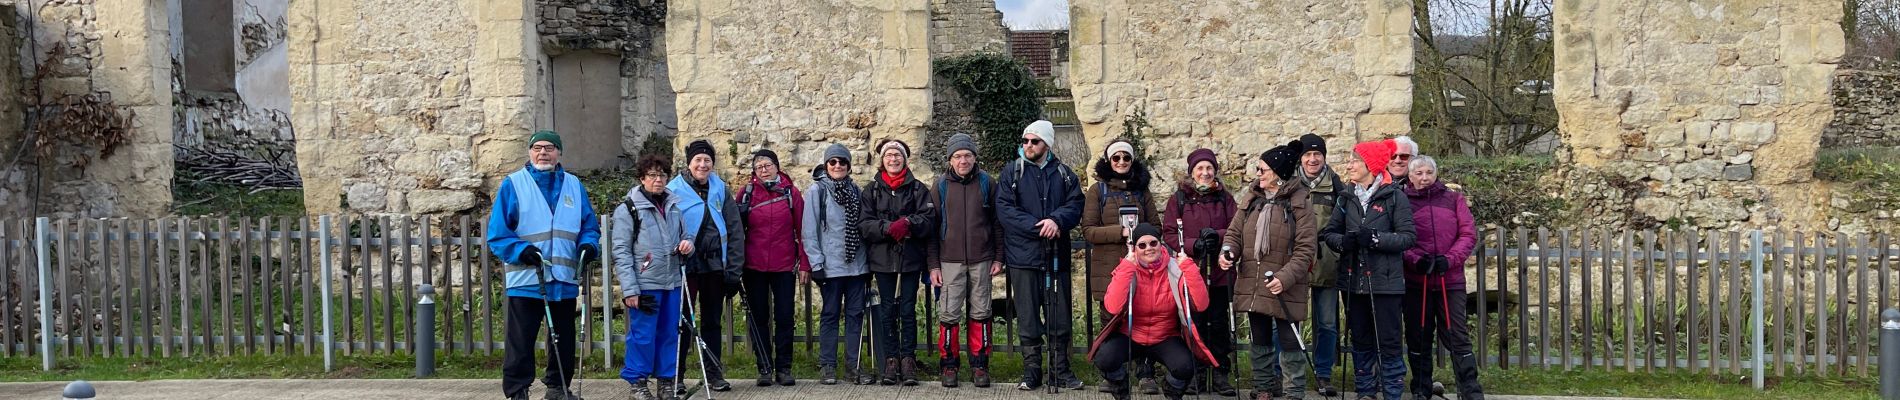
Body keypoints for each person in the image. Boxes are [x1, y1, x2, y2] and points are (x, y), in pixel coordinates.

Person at [486, 130, 602, 400]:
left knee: (563, 340)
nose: (543, 153)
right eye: (537, 148)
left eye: (549, 148)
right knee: (521, 342)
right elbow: (498, 233)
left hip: (563, 279)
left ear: (559, 152)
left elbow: (589, 226)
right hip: (527, 279)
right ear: (529, 152)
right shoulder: (513, 184)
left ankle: (558, 388)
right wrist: (521, 250)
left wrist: (588, 245)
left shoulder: (574, 185)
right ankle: (517, 391)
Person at [1320, 139, 1417, 400]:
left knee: (1388, 340)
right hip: (1353, 280)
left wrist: (1375, 239)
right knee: (1360, 338)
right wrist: (1345, 242)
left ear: (1370, 166)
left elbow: (1407, 237)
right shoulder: (1346, 196)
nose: (1349, 165)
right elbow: (1330, 233)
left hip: (1386, 282)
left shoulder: (1394, 196)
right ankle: (1365, 391)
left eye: (1355, 161)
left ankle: (1392, 391)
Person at [1222, 142, 1319, 400]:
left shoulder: (1300, 204)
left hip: (1285, 284)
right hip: (1255, 281)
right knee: (1260, 337)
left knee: (1289, 340)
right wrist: (1228, 252)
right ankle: (1263, 387)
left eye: (1262, 169)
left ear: (1277, 173)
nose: (1258, 173)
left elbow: (1306, 249)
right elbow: (1234, 233)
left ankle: (1293, 392)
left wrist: (1284, 278)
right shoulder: (1252, 199)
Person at [997, 120, 1087, 391]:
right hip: (1023, 257)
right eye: (1025, 141)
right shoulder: (1012, 172)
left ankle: (1060, 370)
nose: (1028, 146)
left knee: (1058, 317)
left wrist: (1056, 221)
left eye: (1034, 142)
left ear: (1046, 144)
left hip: (1054, 256)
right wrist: (1039, 226)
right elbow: (1005, 210)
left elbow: (1075, 204)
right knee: (1027, 316)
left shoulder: (1064, 174)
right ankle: (1032, 371)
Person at [1088, 223, 1217, 400]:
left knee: (1186, 367)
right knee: (1104, 359)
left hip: (1164, 336)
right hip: (1131, 334)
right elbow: (1113, 307)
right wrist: (1126, 267)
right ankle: (1120, 387)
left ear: (1160, 244)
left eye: (1153, 243)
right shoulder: (1127, 268)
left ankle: (1171, 390)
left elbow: (1201, 304)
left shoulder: (1175, 269)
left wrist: (1189, 268)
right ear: (1135, 249)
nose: (1149, 248)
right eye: (1142, 245)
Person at [1400, 155, 1485, 400]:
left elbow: (1468, 234)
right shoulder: (1403, 201)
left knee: (1457, 336)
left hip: (1450, 281)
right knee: (1419, 335)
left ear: (1436, 174)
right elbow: (1399, 236)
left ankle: (1469, 390)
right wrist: (1417, 260)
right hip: (1418, 281)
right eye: (1419, 173)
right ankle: (1421, 388)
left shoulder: (1453, 199)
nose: (1424, 178)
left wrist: (1450, 259)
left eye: (1429, 172)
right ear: (1410, 176)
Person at [1079, 140, 1160, 393]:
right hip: (1110, 269)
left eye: (1126, 158)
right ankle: (1113, 373)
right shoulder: (1098, 191)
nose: (1122, 162)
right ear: (1109, 161)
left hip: (1142, 269)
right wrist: (1121, 231)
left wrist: (1142, 235)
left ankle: (1145, 372)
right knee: (1111, 320)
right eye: (1117, 158)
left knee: (1144, 319)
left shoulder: (1141, 190)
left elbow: (1156, 226)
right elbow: (1089, 230)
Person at [667, 139, 745, 392]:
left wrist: (733, 271)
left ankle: (713, 373)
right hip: (685, 265)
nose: (703, 165)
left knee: (712, 321)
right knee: (680, 323)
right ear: (689, 163)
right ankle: (675, 377)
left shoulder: (720, 189)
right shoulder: (673, 189)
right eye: (698, 160)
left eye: (707, 160)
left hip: (714, 265)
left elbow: (734, 229)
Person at [928, 133, 1003, 388]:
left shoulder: (987, 183)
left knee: (981, 311)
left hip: (982, 259)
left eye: (968, 155)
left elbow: (997, 224)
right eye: (958, 156)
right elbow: (932, 228)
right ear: (950, 159)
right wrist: (933, 265)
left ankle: (980, 364)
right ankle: (949, 365)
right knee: (949, 312)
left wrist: (998, 257)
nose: (963, 160)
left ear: (975, 157)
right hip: (949, 261)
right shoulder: (940, 186)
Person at [861, 138, 938, 386]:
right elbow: (864, 224)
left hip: (909, 260)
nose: (893, 159)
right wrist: (886, 228)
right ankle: (890, 360)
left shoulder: (918, 189)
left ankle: (908, 359)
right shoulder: (871, 190)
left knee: (907, 310)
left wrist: (908, 224)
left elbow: (928, 220)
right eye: (888, 156)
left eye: (897, 155)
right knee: (886, 311)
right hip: (883, 261)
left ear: (905, 159)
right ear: (882, 161)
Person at [1162, 148, 1239, 397]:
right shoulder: (1179, 199)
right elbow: (1170, 233)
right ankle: (1195, 371)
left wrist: (1215, 238)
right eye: (1200, 169)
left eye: (1209, 168)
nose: (1205, 173)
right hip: (1191, 271)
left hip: (1219, 271)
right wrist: (1194, 244)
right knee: (1192, 323)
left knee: (1218, 323)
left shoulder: (1224, 198)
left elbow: (1236, 229)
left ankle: (1219, 372)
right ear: (1192, 172)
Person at [613, 155, 687, 400]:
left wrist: (688, 245)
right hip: (645, 283)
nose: (658, 180)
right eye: (653, 175)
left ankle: (666, 381)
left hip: (672, 281)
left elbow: (686, 236)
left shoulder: (674, 205)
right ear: (642, 178)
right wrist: (630, 289)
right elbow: (621, 251)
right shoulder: (629, 209)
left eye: (663, 175)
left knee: (669, 332)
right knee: (643, 335)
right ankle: (638, 381)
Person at [736, 149, 807, 387]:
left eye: (767, 165)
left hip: (784, 264)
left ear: (777, 166)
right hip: (754, 265)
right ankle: (764, 366)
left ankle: (784, 367)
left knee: (785, 316)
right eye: (758, 167)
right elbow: (737, 231)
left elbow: (802, 230)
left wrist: (804, 263)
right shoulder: (746, 194)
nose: (763, 170)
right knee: (759, 317)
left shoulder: (791, 193)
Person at [803, 143, 873, 386]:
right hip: (831, 266)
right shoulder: (817, 191)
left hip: (856, 266)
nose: (837, 166)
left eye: (842, 162)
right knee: (830, 315)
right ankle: (828, 365)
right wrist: (816, 264)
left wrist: (867, 265)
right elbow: (809, 230)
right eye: (832, 162)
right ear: (826, 165)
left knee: (856, 316)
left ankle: (853, 366)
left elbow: (862, 229)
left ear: (849, 166)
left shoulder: (856, 190)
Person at [1295, 133, 1347, 397]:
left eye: (1317, 154)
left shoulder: (1337, 186)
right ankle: (1287, 373)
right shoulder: (1290, 184)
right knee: (1289, 319)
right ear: (1300, 158)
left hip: (1327, 261)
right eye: (1307, 155)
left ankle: (1323, 374)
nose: (1313, 159)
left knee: (1326, 322)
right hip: (1296, 262)